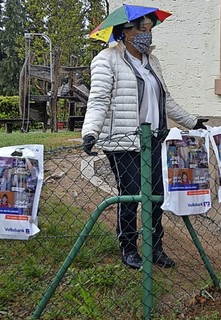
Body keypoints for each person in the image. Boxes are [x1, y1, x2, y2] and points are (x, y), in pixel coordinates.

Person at [81, 13, 209, 269]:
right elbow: (98, 100)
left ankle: (154, 247)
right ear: (125, 32)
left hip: (154, 140)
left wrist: (192, 121)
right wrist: (90, 131)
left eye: (149, 28)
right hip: (123, 142)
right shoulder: (106, 60)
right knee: (131, 195)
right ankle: (128, 247)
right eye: (142, 29)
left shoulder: (152, 61)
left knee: (157, 196)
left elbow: (166, 100)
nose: (147, 34)